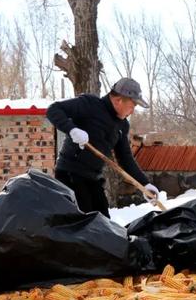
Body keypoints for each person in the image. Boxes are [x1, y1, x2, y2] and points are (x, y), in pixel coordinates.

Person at [46, 77, 159, 217]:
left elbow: (126, 158)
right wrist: (72, 130)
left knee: (103, 222)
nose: (132, 111)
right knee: (84, 224)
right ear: (119, 100)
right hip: (70, 175)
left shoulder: (122, 125)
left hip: (93, 179)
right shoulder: (90, 105)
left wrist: (145, 185)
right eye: (132, 105)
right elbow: (53, 109)